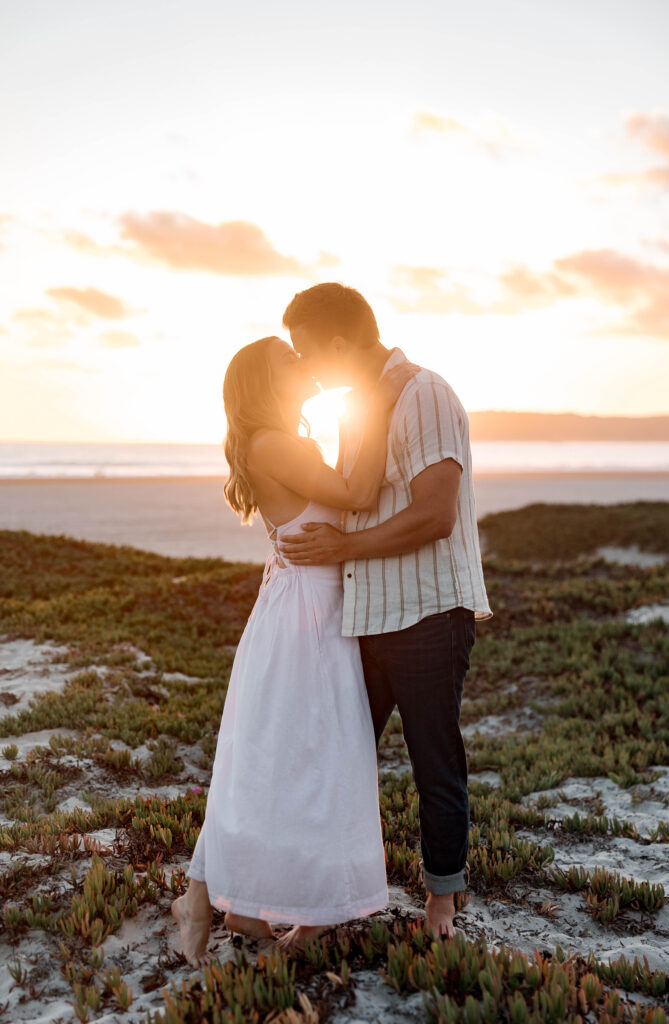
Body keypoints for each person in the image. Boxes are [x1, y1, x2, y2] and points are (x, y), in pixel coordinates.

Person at [171, 335, 417, 965]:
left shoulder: (282, 442)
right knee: (292, 762)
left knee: (291, 762)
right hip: (304, 620)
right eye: (290, 360)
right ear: (266, 382)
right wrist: (380, 401)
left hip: (315, 613)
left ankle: (243, 903)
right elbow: (358, 495)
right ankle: (208, 899)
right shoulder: (274, 443)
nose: (302, 365)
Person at [279, 283, 493, 938]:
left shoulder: (423, 393)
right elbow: (355, 498)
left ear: (341, 343)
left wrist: (343, 544)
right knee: (340, 766)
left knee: (434, 761)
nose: (307, 370)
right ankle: (325, 902)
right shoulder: (356, 410)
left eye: (308, 353)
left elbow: (434, 512)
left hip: (426, 614)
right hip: (364, 619)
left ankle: (440, 903)